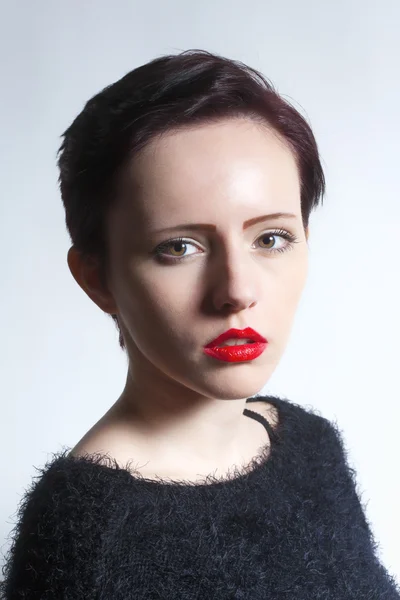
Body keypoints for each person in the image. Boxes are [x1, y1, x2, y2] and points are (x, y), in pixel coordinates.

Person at [1, 49, 399, 599]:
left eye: (271, 238)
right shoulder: (88, 535)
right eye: (180, 247)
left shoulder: (309, 445)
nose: (237, 290)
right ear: (97, 278)